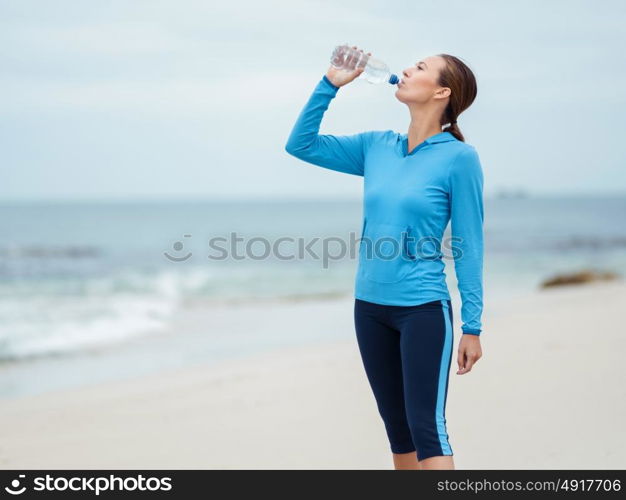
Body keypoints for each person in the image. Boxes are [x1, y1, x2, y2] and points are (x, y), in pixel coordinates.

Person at [284, 47, 484, 470]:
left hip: (424, 310)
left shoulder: (459, 159)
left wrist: (473, 326)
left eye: (421, 67)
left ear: (441, 91)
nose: (407, 69)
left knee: (428, 430)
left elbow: (469, 244)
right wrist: (329, 86)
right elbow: (300, 145)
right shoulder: (376, 146)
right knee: (397, 431)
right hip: (370, 307)